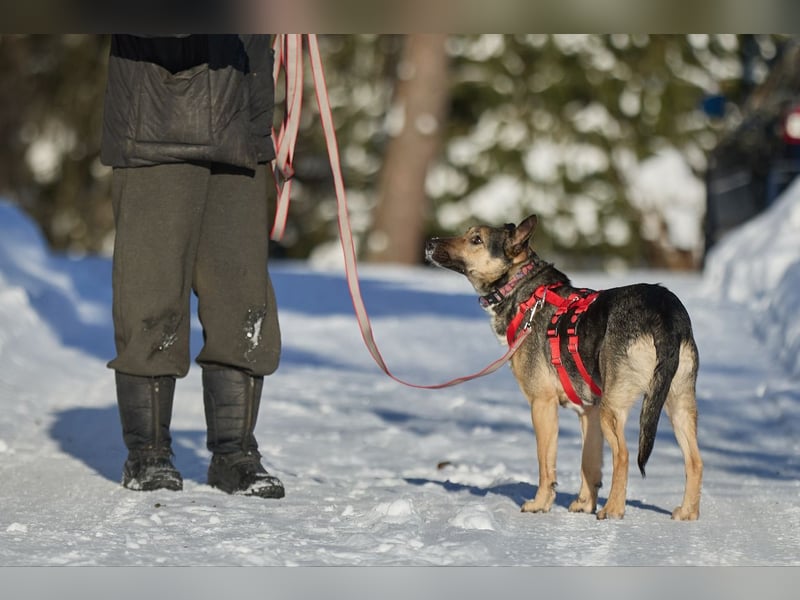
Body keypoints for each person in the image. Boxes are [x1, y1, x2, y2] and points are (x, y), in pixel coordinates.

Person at [100, 34, 284, 498]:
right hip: (156, 122)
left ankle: (234, 454)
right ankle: (147, 454)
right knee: (150, 291)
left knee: (242, 297)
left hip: (242, 121)